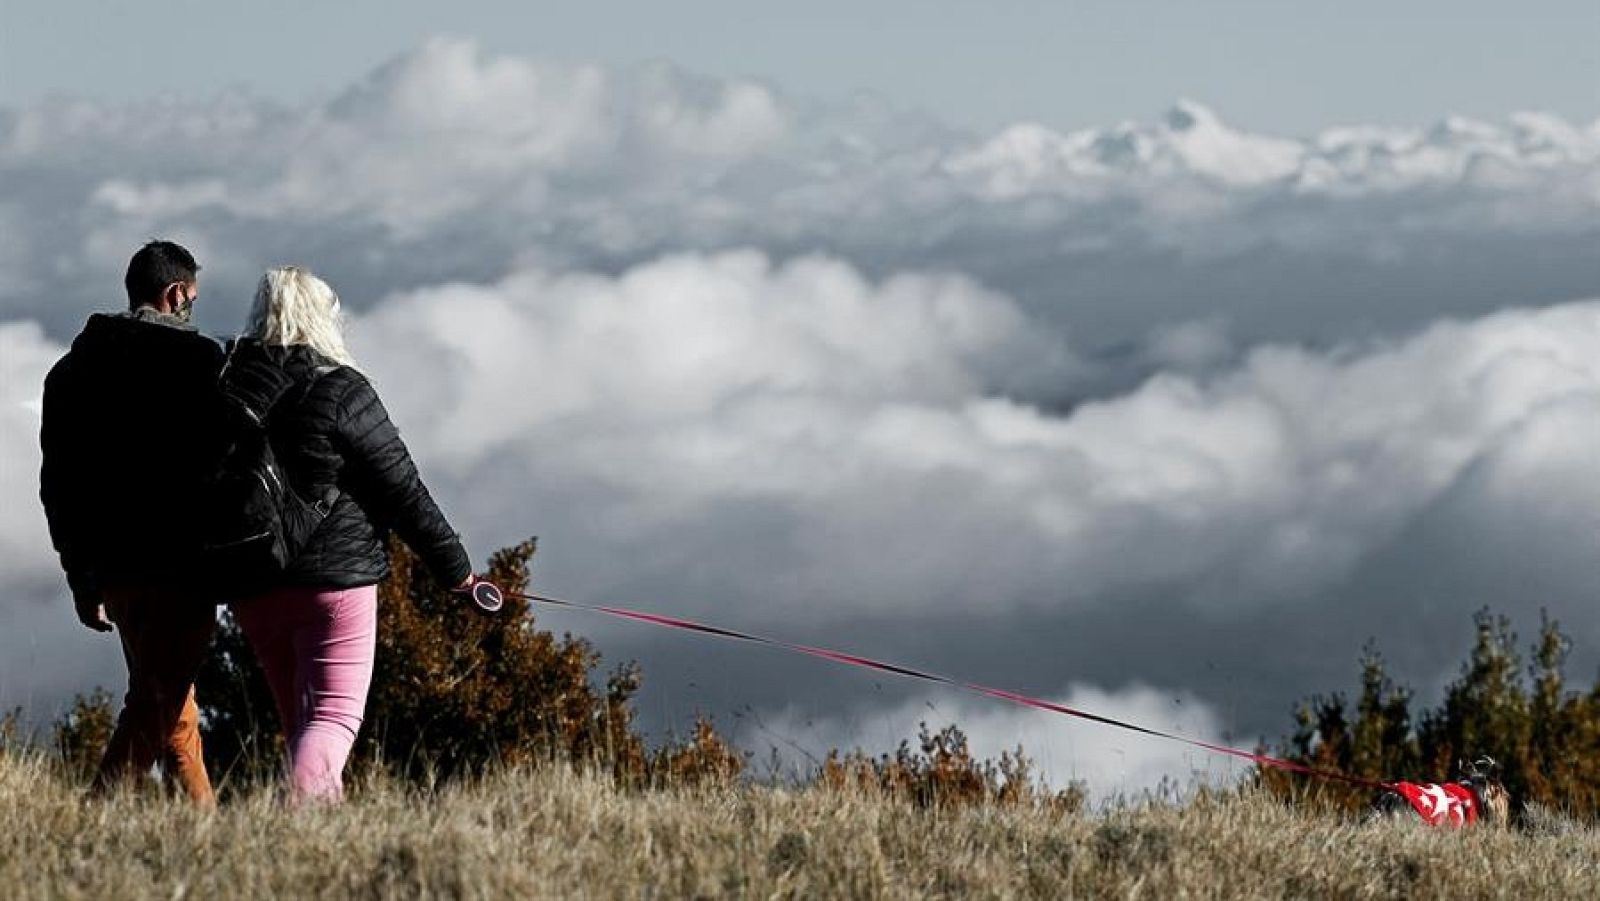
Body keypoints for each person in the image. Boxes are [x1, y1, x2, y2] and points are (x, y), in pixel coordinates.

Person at [223, 265, 485, 802]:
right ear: (324, 317)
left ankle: (318, 848)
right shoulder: (342, 389)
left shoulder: (230, 388)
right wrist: (457, 573)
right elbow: (403, 491)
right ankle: (304, 822)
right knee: (332, 720)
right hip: (334, 584)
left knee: (300, 722)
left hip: (254, 581)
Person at [39, 240, 226, 805]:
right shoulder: (199, 364)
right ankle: (94, 815)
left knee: (171, 706)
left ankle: (203, 832)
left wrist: (81, 578)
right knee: (160, 701)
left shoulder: (70, 372)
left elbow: (59, 488)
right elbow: (226, 467)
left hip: (114, 569)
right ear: (175, 294)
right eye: (191, 298)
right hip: (183, 564)